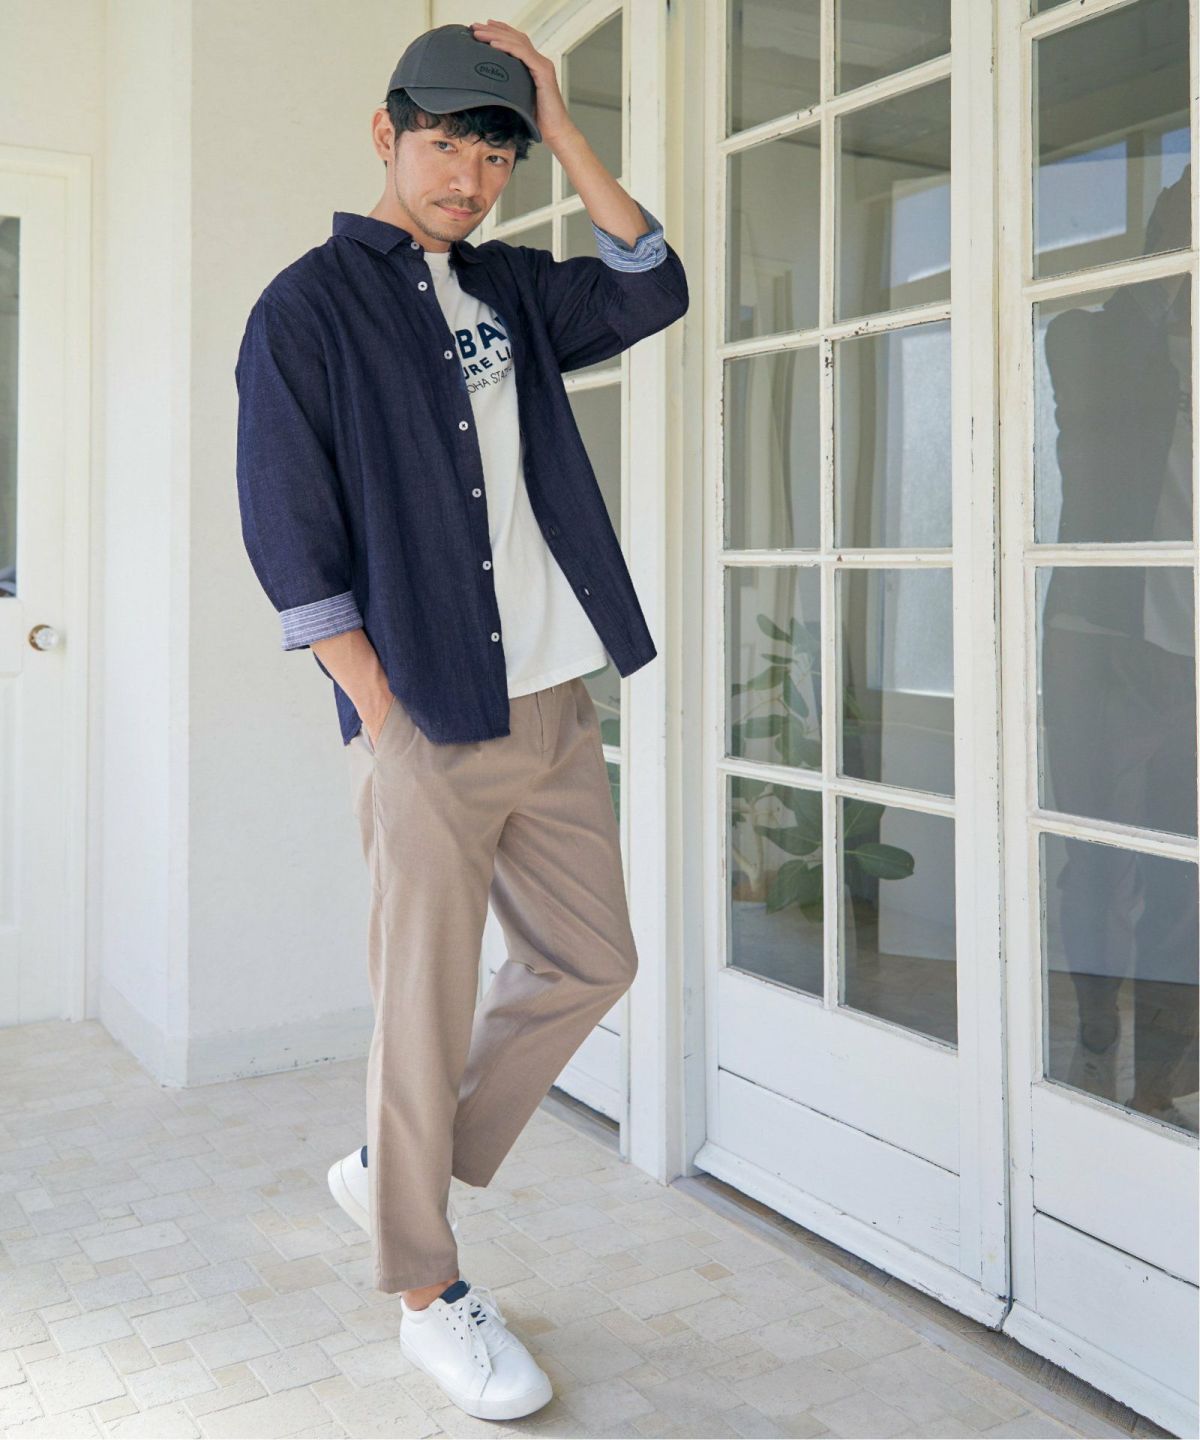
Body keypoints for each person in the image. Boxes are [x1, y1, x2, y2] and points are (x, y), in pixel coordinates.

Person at [233, 19, 688, 1422]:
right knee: (420, 1011)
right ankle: (429, 1292)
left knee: (592, 960)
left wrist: (562, 119)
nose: (470, 180)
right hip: (424, 711)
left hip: (551, 698)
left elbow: (652, 284)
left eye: (495, 157)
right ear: (386, 135)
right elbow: (289, 536)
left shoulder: (513, 289)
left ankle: (395, 1168)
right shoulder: (307, 309)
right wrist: (380, 713)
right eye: (444, 146)